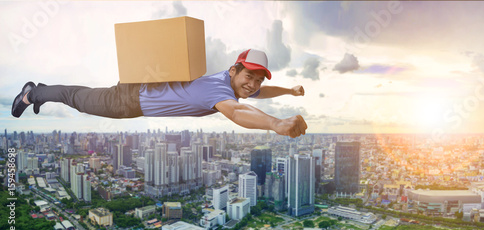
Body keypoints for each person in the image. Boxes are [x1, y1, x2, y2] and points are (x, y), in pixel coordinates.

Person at [12, 49, 307, 138]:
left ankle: (39, 93)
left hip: (139, 87)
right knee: (78, 99)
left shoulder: (231, 82)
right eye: (249, 77)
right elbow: (237, 111)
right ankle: (32, 93)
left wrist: (289, 92)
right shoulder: (217, 91)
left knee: (81, 98)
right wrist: (275, 124)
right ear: (233, 70)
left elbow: (259, 93)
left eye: (257, 79)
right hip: (127, 102)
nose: (253, 85)